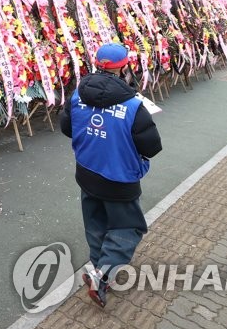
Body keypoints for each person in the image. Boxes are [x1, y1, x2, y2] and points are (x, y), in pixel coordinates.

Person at [60, 43, 162, 308]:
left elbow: (67, 127)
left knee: (96, 224)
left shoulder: (77, 94)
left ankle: (99, 268)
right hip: (119, 178)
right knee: (128, 227)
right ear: (123, 66)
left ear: (97, 63)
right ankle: (102, 275)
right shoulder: (132, 104)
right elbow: (152, 146)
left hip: (86, 171)